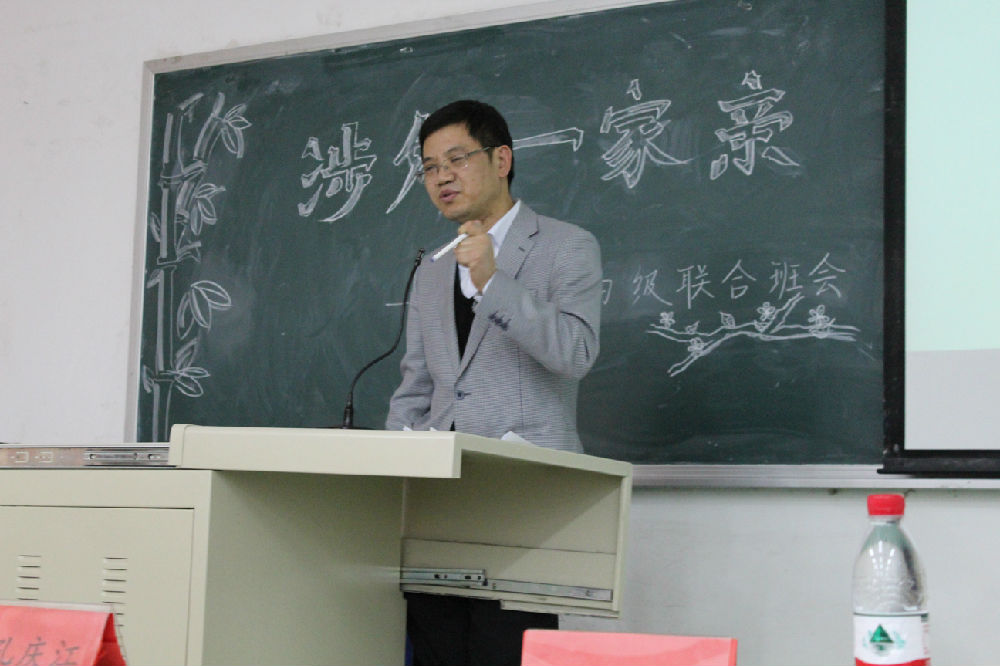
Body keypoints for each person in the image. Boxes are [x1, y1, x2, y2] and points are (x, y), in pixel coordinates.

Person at [386, 99, 603, 665]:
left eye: (456, 159)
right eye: (429, 167)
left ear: (501, 159)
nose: (442, 177)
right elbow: (417, 386)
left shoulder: (567, 245)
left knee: (504, 652)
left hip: (521, 501)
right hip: (436, 505)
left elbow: (576, 353)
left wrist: (491, 280)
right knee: (434, 651)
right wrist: (389, 484)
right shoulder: (432, 268)